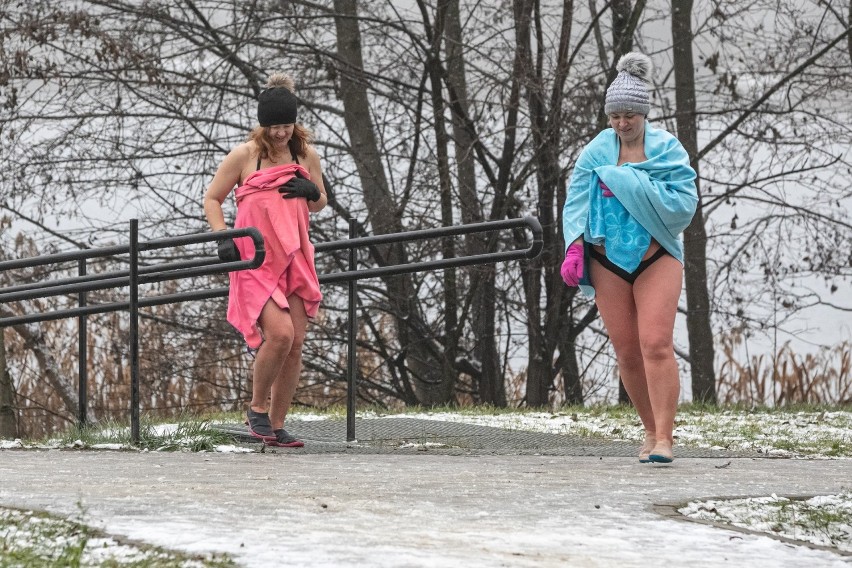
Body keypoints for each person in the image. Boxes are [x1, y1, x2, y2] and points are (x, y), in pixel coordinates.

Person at [561, 53, 698, 463]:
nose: (622, 123)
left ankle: (667, 439)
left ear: (643, 114)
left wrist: (625, 180)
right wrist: (573, 246)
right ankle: (650, 431)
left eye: (630, 115)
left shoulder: (666, 150)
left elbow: (683, 206)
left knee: (655, 343)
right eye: (616, 115)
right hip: (607, 262)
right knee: (626, 351)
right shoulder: (596, 152)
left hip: (656, 258)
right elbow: (575, 203)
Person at [203, 73, 327, 448]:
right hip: (255, 259)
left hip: (295, 256)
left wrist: (311, 190)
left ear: (295, 123)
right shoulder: (245, 156)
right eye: (273, 126)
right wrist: (222, 234)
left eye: (286, 126)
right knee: (280, 335)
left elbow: (319, 202)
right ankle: (257, 409)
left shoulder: (306, 155)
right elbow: (212, 199)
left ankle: (275, 425)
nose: (280, 134)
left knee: (297, 342)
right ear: (262, 125)